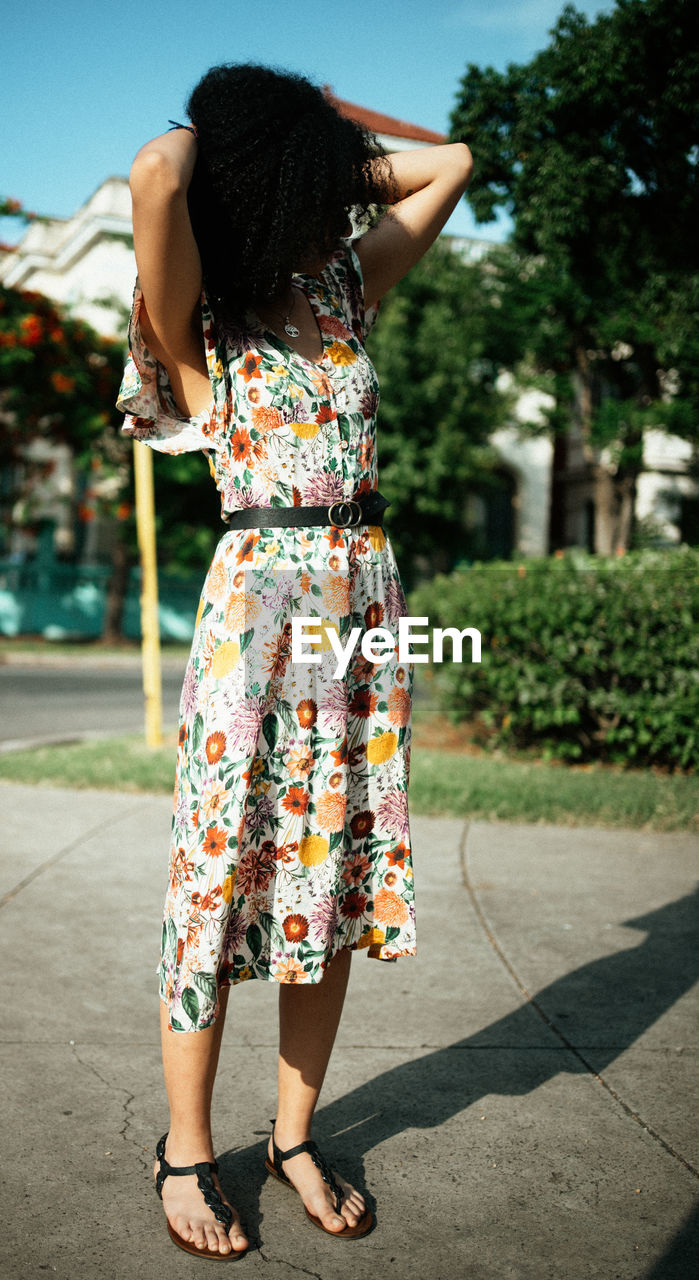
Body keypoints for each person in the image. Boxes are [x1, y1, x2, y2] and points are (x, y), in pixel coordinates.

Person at [116, 62, 472, 1261]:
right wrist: (245, 143)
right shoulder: (198, 307)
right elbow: (160, 173)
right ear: (267, 173)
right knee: (220, 876)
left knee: (329, 871)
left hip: (361, 594)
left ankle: (295, 1133)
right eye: (303, 164)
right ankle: (182, 1145)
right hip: (258, 599)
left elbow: (453, 164)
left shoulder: (345, 280)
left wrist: (324, 146)